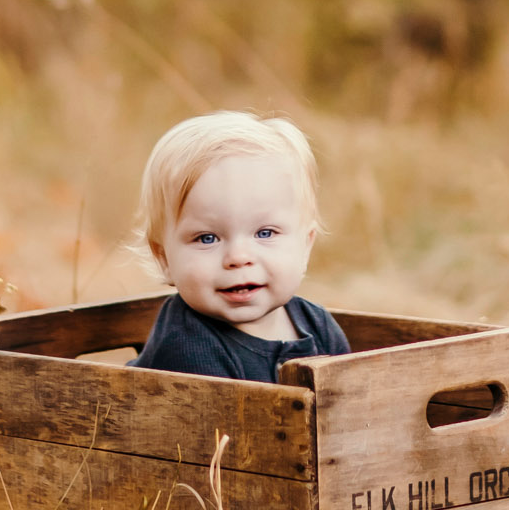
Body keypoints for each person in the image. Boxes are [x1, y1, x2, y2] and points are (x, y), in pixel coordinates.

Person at [131, 110, 351, 382]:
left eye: (265, 233)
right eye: (207, 238)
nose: (238, 258)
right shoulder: (187, 349)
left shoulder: (317, 324)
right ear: (163, 258)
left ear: (305, 246)